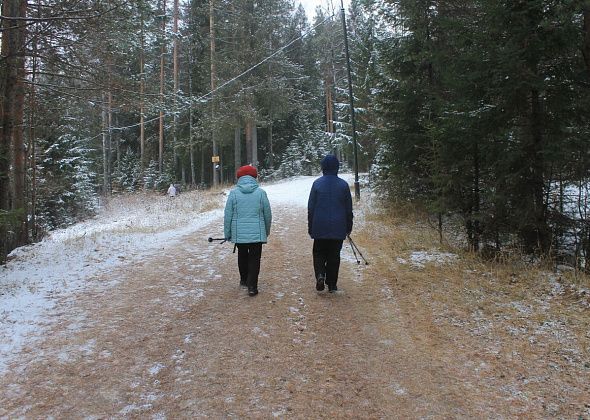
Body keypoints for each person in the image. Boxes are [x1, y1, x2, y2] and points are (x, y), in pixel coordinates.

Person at [307, 154, 353, 293]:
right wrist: (348, 226)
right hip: (338, 227)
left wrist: (311, 226)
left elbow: (311, 208)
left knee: (319, 252)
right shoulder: (343, 185)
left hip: (319, 225)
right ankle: (332, 284)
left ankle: (320, 274)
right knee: (334, 255)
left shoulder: (317, 184)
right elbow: (348, 209)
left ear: (323, 167)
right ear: (337, 167)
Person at [224, 165, 272, 296]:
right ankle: (252, 286)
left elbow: (228, 215)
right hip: (257, 233)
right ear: (254, 177)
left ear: (239, 177)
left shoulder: (233, 194)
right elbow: (268, 214)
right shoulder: (261, 193)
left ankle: (244, 280)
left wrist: (227, 233)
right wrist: (266, 230)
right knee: (255, 259)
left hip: (240, 234)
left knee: (242, 255)